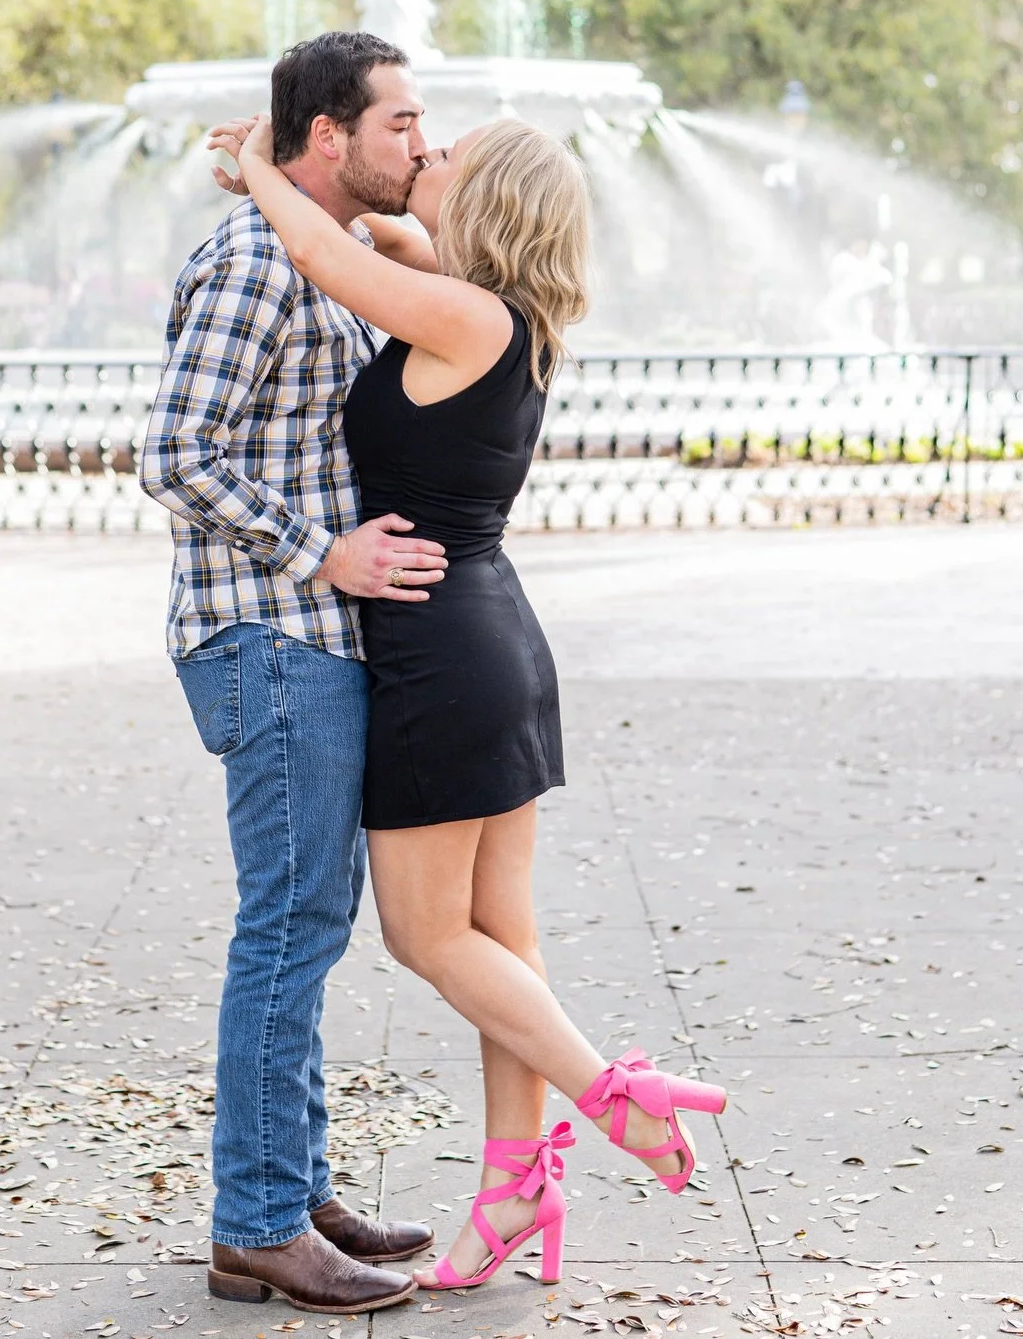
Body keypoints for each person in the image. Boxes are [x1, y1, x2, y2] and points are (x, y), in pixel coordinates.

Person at [227, 105, 728, 1294]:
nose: (427, 152)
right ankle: (514, 1185)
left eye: (449, 153)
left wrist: (255, 162)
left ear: (488, 196)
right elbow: (380, 239)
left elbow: (325, 251)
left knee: (427, 934)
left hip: (440, 659)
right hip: (494, 642)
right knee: (505, 936)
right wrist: (335, 184)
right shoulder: (507, 314)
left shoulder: (467, 316)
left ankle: (614, 1094)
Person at [139, 31, 454, 1316]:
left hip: (304, 637)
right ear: (328, 134)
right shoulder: (255, 261)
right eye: (400, 123)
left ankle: (293, 1188)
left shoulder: (318, 249)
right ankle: (260, 1221)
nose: (421, 142)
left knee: (308, 922)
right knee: (288, 927)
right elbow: (174, 453)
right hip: (268, 635)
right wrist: (325, 551)